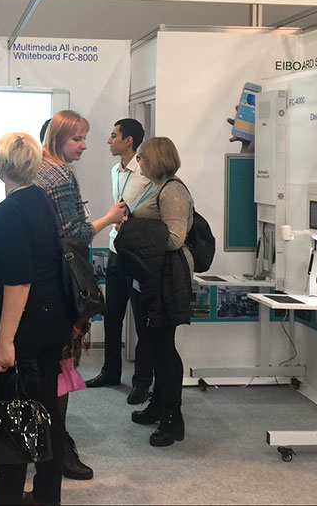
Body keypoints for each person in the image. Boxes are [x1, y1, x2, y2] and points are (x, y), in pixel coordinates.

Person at [0, 132, 72, 506]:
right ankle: (46, 495)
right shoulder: (38, 199)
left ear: (1, 166)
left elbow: (18, 281)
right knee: (46, 411)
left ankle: (7, 499)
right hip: (48, 321)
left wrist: (5, 340)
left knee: (12, 413)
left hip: (22, 327)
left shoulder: (12, 211)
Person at [35, 110, 127, 481]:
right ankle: (56, 448)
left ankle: (42, 443)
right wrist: (110, 217)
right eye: (78, 139)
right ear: (58, 138)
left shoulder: (37, 170)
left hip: (39, 285)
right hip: (61, 286)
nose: (86, 146)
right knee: (61, 368)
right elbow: (76, 235)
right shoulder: (60, 175)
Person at [85, 119, 156, 406]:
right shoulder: (115, 171)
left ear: (129, 140)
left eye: (113, 135)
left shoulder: (147, 172)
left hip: (137, 255)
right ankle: (110, 372)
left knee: (141, 321)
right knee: (112, 317)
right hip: (116, 251)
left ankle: (142, 381)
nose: (108, 140)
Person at [128, 136, 194, 447]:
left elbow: (175, 238)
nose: (138, 162)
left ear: (155, 159)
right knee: (153, 344)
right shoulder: (155, 187)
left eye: (141, 157)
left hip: (166, 278)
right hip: (150, 275)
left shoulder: (173, 191)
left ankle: (173, 416)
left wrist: (135, 234)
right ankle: (158, 402)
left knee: (163, 346)